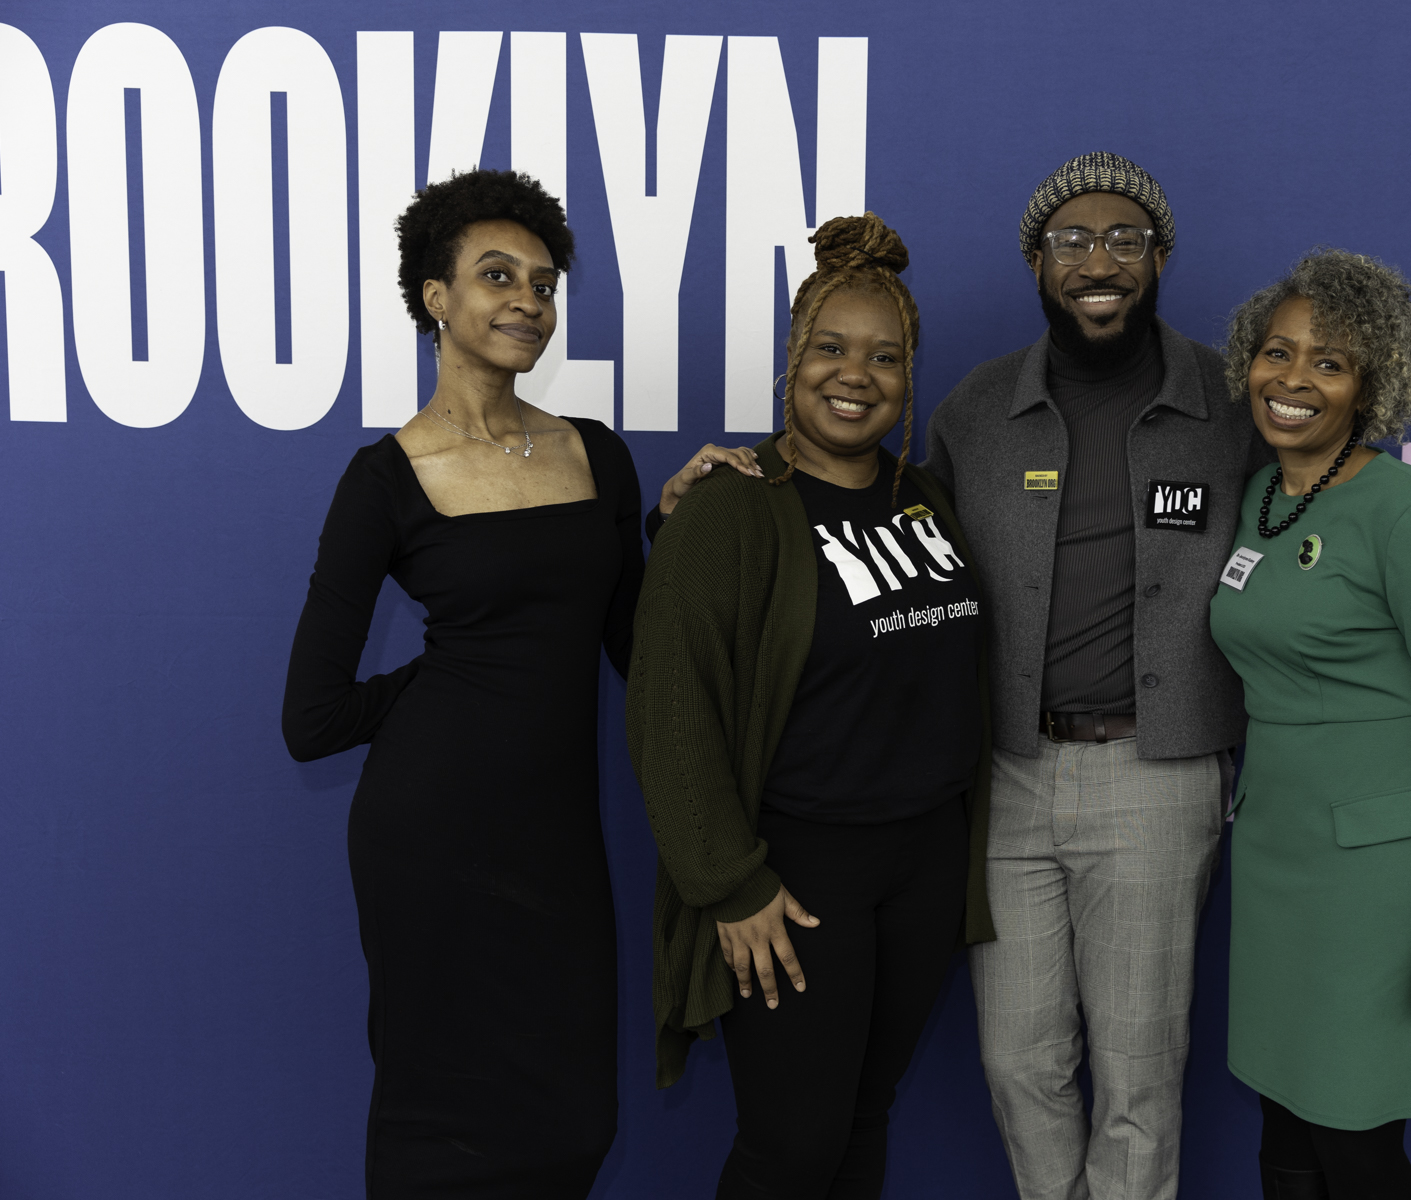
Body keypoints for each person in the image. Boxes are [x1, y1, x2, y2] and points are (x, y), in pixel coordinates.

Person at [922, 153, 1411, 1200]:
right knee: (1018, 1062)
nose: (1099, 261)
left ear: (1161, 258)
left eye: (1126, 239)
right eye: (1071, 240)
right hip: (1008, 779)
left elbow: (1337, 501)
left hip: (1159, 774)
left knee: (1140, 1073)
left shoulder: (1229, 407)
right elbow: (897, 538)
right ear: (1035, 260)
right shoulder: (971, 412)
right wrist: (744, 485)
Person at [280, 167, 756, 1197]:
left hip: (555, 840)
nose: (528, 301)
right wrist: (447, 686)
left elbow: (633, 645)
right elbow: (310, 720)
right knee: (439, 1123)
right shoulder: (385, 478)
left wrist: (676, 533)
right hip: (430, 844)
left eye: (544, 283)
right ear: (434, 297)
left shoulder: (598, 456)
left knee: (574, 1118)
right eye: (497, 276)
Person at [626, 213, 995, 1200]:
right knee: (791, 1145)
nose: (856, 374)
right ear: (793, 360)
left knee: (862, 1121)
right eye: (831, 349)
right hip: (795, 875)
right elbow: (672, 709)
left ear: (910, 378)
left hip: (921, 862)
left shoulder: (926, 499)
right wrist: (729, 883)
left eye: (886, 356)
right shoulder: (733, 508)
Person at [1209, 249, 1411, 1199]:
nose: (1293, 381)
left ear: (1372, 386)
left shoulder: (1407, 509)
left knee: (1356, 1143)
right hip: (1278, 863)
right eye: (1277, 353)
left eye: (1328, 364)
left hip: (1375, 886)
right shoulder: (1258, 498)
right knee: (1284, 1129)